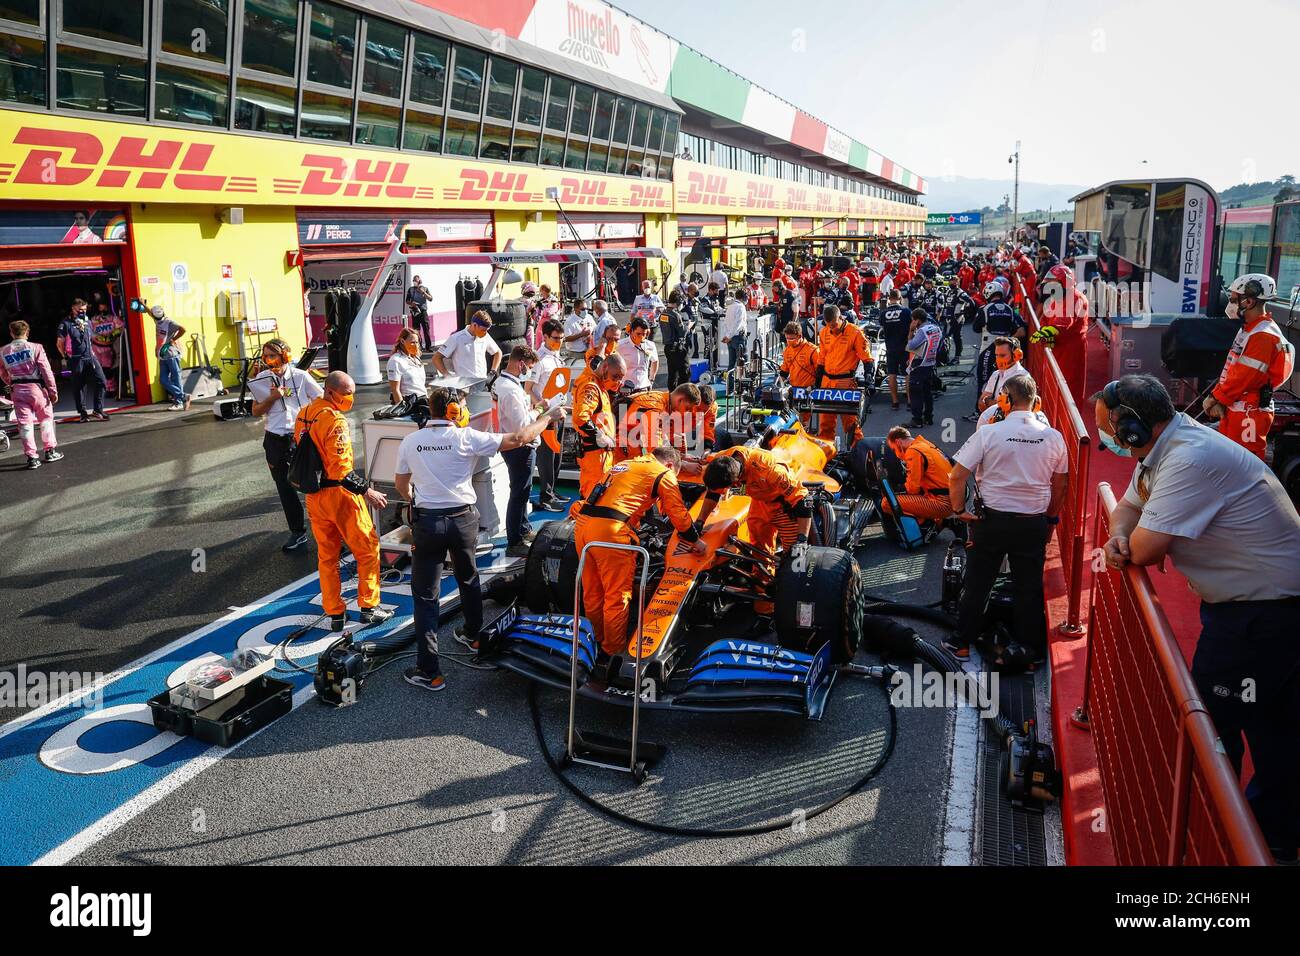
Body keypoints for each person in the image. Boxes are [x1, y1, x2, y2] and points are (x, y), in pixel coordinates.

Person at [1096, 374, 1300, 860]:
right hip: (1253, 611)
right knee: (1273, 727)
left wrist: (1128, 543)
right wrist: (1119, 536)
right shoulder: (1163, 448)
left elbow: (1143, 548)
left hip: (1262, 618)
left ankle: (1217, 837)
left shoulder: (1190, 459)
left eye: (1109, 428)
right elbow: (1126, 511)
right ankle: (1276, 835)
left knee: (1214, 728)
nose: (1107, 438)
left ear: (1132, 428)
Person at [395, 386, 563, 689]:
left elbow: (401, 485)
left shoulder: (411, 441)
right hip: (463, 520)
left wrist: (416, 500)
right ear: (454, 412)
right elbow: (520, 439)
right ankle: (473, 635)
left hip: (428, 523)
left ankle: (429, 671)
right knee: (468, 576)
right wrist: (548, 417)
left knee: (425, 596)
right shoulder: (467, 437)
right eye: (462, 406)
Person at [947, 374, 1069, 664]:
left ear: (1008, 399)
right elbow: (1061, 484)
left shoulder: (989, 433)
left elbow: (956, 475)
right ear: (1035, 401)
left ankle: (961, 644)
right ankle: (1029, 652)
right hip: (1033, 522)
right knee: (1027, 587)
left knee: (978, 583)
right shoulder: (1054, 437)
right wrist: (1050, 518)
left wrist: (958, 509)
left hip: (991, 521)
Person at [574, 445, 704, 655]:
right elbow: (677, 513)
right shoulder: (663, 472)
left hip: (583, 525)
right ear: (670, 465)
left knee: (593, 591)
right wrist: (695, 540)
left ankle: (593, 644)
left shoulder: (625, 464)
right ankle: (612, 652)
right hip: (611, 531)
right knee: (617, 596)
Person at [294, 371, 394, 632]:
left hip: (314, 496)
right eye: (347, 393)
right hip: (340, 496)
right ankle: (369, 608)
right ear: (330, 392)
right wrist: (366, 491)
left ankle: (335, 613)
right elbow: (340, 471)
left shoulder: (305, 412)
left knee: (327, 557)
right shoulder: (335, 421)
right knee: (367, 548)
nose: (351, 398)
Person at [1202, 273, 1295, 460]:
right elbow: (1233, 371)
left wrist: (1216, 397)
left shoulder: (1263, 336)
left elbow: (1244, 376)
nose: (1231, 304)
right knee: (1230, 460)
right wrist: (1220, 399)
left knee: (1245, 463)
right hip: (1239, 407)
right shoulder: (1250, 329)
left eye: (1234, 300)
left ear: (1249, 302)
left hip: (1248, 412)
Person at [248, 338, 324, 551]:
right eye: (265, 356)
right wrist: (272, 398)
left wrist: (312, 422)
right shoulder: (261, 379)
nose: (268, 359)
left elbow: (322, 401)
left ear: (285, 356)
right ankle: (298, 532)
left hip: (301, 439)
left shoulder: (301, 377)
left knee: (315, 486)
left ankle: (328, 532)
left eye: (272, 355)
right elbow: (255, 411)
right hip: (274, 440)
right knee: (285, 488)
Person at [696, 444, 814, 556]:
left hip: (783, 504)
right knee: (759, 548)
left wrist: (802, 539)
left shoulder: (771, 472)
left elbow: (803, 500)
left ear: (736, 481)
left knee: (794, 553)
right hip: (760, 502)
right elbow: (713, 494)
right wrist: (699, 522)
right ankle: (762, 576)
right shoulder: (721, 461)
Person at [493, 345, 543, 557]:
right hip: (519, 447)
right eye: (529, 367)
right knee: (519, 493)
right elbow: (522, 425)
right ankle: (514, 541)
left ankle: (522, 529)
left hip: (511, 444)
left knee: (522, 490)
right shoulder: (511, 390)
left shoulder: (502, 383)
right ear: (521, 363)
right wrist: (540, 411)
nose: (529, 371)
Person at [0, 320, 63, 469]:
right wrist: (53, 390)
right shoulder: (36, 347)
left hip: (18, 390)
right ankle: (50, 451)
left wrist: (11, 382)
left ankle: (32, 458)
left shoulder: (3, 351)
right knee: (46, 419)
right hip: (37, 389)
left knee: (25, 425)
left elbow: (2, 372)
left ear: (11, 333)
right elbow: (46, 371)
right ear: (27, 332)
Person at [572, 351, 624, 502]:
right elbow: (581, 417)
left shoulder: (597, 383)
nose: (617, 382)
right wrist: (601, 437)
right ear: (605, 367)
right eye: (615, 377)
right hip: (596, 456)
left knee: (598, 494)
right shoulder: (592, 386)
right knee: (593, 497)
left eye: (620, 379)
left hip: (599, 455)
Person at [816, 304, 872, 445]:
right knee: (825, 423)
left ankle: (857, 452)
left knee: (851, 423)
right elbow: (821, 359)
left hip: (845, 382)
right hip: (827, 382)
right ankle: (826, 453)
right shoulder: (824, 332)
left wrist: (869, 378)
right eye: (829, 326)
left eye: (834, 325)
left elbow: (867, 358)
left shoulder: (855, 333)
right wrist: (817, 382)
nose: (832, 329)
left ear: (840, 318)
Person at [1034, 263, 1090, 401]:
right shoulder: (1058, 296)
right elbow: (1046, 318)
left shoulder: (1076, 298)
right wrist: (1046, 331)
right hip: (1058, 346)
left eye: (1053, 283)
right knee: (1054, 385)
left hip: (1071, 351)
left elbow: (1065, 322)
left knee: (1069, 389)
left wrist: (1049, 332)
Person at [530, 318, 569, 511]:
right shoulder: (539, 359)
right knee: (546, 456)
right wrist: (542, 408)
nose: (558, 342)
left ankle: (552, 490)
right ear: (544, 336)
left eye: (561, 338)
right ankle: (546, 496)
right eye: (554, 338)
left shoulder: (556, 355)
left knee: (557, 454)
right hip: (546, 414)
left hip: (558, 411)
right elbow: (529, 387)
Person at [880, 425, 953, 520]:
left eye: (894, 449)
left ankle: (923, 527)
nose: (896, 454)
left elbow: (912, 489)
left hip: (942, 503)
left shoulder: (913, 452)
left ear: (898, 442)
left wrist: (895, 490)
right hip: (954, 496)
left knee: (887, 503)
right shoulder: (924, 444)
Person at [57, 299, 110, 420]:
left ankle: (98, 410)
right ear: (73, 308)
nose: (83, 312)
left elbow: (91, 337)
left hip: (90, 356)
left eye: (85, 309)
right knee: (79, 385)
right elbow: (59, 343)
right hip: (76, 358)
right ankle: (83, 412)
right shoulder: (65, 323)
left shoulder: (87, 320)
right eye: (80, 310)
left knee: (101, 381)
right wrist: (65, 357)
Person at [623, 382, 703, 459]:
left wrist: (682, 457)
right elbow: (656, 449)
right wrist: (683, 465)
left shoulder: (665, 403)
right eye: (687, 409)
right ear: (680, 400)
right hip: (620, 446)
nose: (686, 413)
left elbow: (675, 435)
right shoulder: (656, 407)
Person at [432, 310, 502, 379]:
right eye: (483, 330)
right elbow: (436, 358)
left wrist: (492, 372)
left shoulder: (485, 336)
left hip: (481, 382)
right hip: (464, 385)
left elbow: (498, 352)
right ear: (474, 325)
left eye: (487, 330)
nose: (485, 333)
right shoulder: (456, 338)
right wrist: (447, 376)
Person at [905, 309, 944, 429]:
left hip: (919, 364)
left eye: (913, 320)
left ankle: (917, 420)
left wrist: (911, 331)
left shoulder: (922, 330)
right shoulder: (936, 328)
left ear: (917, 320)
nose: (912, 322)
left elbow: (911, 346)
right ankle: (928, 417)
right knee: (927, 392)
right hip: (930, 362)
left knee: (915, 392)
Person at [778, 321, 821, 428]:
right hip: (792, 391)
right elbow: (784, 371)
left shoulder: (813, 350)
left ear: (800, 336)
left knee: (802, 423)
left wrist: (815, 386)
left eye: (792, 339)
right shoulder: (787, 350)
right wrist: (778, 386)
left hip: (807, 391)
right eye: (787, 338)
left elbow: (821, 372)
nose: (789, 341)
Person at [146, 305, 189, 411]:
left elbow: (183, 329)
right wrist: (143, 304)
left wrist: (173, 339)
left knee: (176, 378)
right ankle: (183, 396)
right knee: (163, 380)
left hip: (172, 354)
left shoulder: (169, 322)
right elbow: (149, 312)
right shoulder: (158, 321)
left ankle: (179, 402)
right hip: (163, 356)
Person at [978, 337, 1030, 412]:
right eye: (996, 355)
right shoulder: (996, 374)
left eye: (1002, 355)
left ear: (1016, 355)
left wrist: (988, 401)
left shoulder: (1023, 378)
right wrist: (996, 403)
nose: (998, 359)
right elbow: (981, 403)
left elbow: (1015, 409)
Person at [880, 289, 912, 410]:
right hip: (904, 346)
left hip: (890, 347)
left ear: (889, 299)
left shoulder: (883, 313)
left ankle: (895, 401)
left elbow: (882, 326)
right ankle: (909, 400)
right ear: (900, 298)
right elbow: (912, 327)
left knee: (892, 374)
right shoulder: (906, 311)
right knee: (907, 373)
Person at [659, 290, 692, 390]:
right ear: (678, 303)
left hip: (668, 347)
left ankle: (672, 395)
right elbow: (682, 332)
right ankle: (683, 394)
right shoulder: (675, 315)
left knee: (672, 373)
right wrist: (689, 326)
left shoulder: (663, 314)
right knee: (684, 372)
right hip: (677, 348)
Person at [385, 328, 427, 404]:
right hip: (409, 402)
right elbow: (395, 390)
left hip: (422, 399)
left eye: (417, 342)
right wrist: (402, 409)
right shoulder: (395, 361)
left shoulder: (416, 358)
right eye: (412, 342)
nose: (416, 345)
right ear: (402, 341)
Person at [616, 316, 657, 390]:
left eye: (644, 334)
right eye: (638, 334)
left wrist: (651, 379)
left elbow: (655, 361)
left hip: (644, 388)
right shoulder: (620, 346)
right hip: (625, 389)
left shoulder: (650, 345)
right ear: (631, 331)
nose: (641, 337)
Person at [720, 286, 748, 372]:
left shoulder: (730, 306)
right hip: (738, 337)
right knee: (743, 361)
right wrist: (729, 336)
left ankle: (730, 384)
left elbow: (726, 323)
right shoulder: (741, 307)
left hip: (730, 338)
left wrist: (727, 335)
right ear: (744, 297)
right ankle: (741, 382)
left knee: (731, 363)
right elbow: (738, 323)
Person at [562, 298, 596, 368]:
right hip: (576, 353)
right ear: (576, 309)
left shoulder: (589, 317)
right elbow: (567, 338)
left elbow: (595, 329)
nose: (586, 311)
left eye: (587, 309)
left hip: (589, 352)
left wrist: (591, 335)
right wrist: (581, 335)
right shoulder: (570, 321)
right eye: (583, 309)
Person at [405, 275, 433, 351]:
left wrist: (423, 292)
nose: (414, 282)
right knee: (416, 330)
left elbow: (431, 299)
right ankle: (419, 346)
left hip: (423, 312)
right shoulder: (411, 290)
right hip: (415, 311)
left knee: (426, 329)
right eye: (413, 280)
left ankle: (428, 347)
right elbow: (407, 300)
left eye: (415, 281)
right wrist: (412, 303)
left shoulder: (425, 288)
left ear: (419, 281)